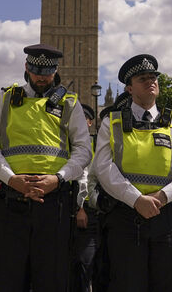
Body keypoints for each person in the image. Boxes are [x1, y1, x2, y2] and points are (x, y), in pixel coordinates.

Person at [0, 44, 92, 292]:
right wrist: (11, 179)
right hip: (9, 202)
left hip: (54, 205)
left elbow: (83, 150)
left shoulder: (70, 103)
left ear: (55, 70)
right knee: (6, 279)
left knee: (52, 279)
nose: (42, 76)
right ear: (27, 68)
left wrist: (58, 179)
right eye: (37, 69)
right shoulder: (6, 98)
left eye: (47, 71)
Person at [93, 54, 172, 292]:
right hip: (124, 217)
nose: (150, 81)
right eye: (143, 78)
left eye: (153, 78)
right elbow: (103, 167)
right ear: (130, 88)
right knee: (126, 284)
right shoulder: (111, 123)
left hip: (166, 218)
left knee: (167, 284)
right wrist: (136, 199)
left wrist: (163, 197)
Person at [70, 103, 101, 292]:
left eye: (85, 119)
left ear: (90, 123)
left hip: (96, 211)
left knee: (95, 263)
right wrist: (79, 208)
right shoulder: (68, 141)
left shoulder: (98, 143)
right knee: (81, 262)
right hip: (80, 210)